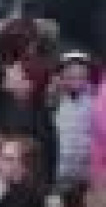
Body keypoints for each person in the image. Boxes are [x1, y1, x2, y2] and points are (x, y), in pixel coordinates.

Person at [50, 52, 96, 202]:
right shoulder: (54, 100)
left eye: (81, 76)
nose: (76, 81)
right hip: (59, 175)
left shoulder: (96, 101)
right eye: (71, 76)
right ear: (63, 76)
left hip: (86, 176)